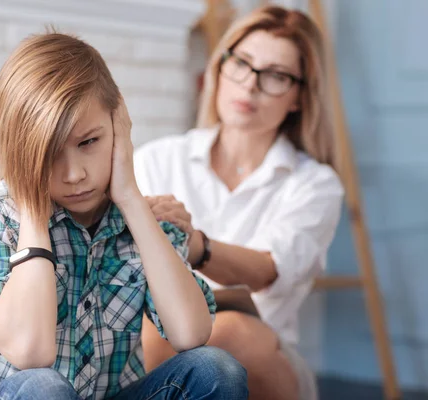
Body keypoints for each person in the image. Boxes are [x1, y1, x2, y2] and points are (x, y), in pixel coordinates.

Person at [0, 33, 248, 400]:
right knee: (45, 387)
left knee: (216, 371)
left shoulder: (142, 221)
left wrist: (130, 197)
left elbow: (190, 333)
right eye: (50, 153)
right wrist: (33, 205)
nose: (74, 174)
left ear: (118, 128)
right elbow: (31, 352)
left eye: (89, 142)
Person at [134, 5, 344, 400]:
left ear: (299, 96)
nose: (250, 85)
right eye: (242, 64)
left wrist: (198, 245)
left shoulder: (316, 184)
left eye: (276, 76)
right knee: (150, 330)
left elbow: (268, 270)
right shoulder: (157, 159)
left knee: (229, 331)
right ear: (218, 68)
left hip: (265, 358)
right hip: (159, 343)